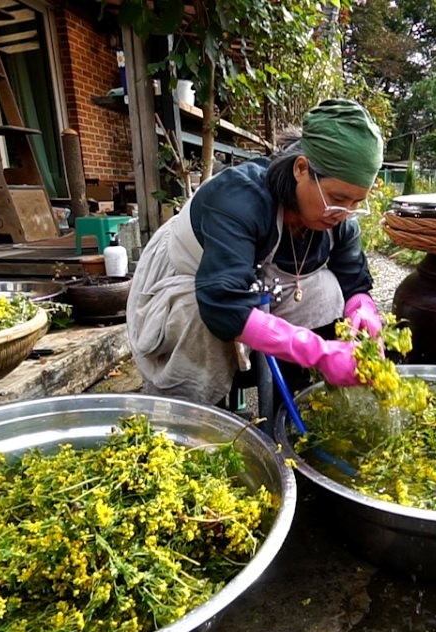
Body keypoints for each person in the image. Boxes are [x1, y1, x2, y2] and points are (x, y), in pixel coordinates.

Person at [127, 98, 386, 404]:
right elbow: (222, 304)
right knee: (198, 317)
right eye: (338, 197)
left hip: (261, 283)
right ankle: (193, 418)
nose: (345, 211)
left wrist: (362, 308)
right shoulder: (238, 199)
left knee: (327, 291)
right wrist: (317, 352)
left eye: (357, 202)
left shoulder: (340, 218)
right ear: (301, 169)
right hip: (193, 277)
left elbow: (353, 279)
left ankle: (296, 400)